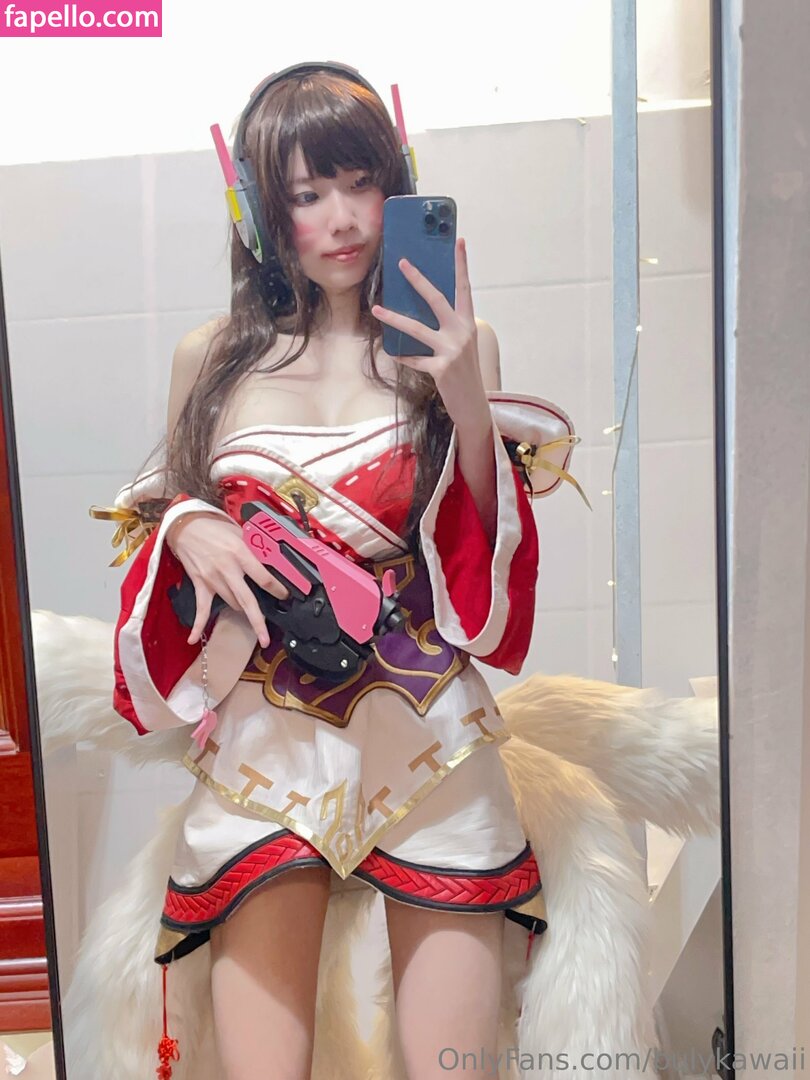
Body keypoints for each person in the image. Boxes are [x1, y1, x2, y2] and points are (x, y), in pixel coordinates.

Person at [105, 61, 578, 1080]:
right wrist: (188, 521)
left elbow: (484, 563)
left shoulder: (459, 346)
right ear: (259, 213)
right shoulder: (212, 358)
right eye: (306, 193)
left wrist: (465, 398)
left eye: (362, 183)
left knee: (452, 1066)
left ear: (399, 186)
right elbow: (156, 525)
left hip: (428, 725)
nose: (343, 219)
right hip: (265, 739)